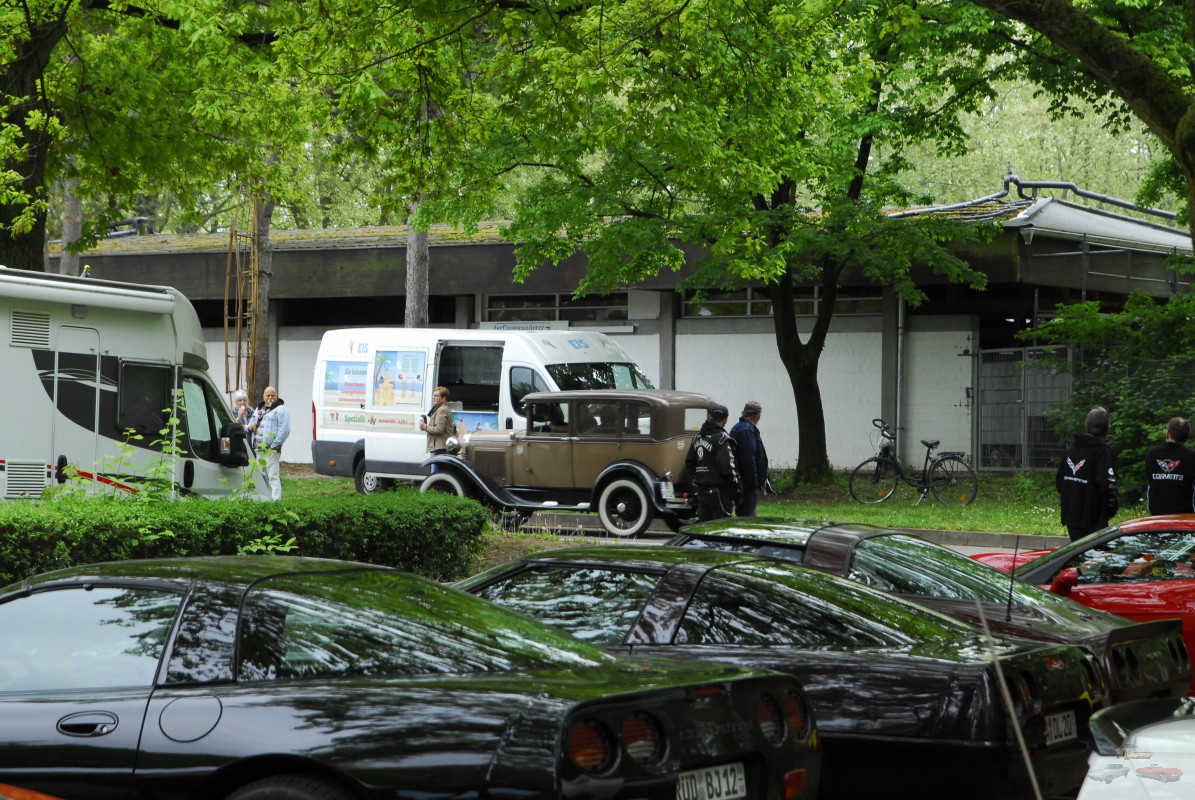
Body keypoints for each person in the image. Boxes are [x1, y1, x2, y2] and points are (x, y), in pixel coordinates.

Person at [1056, 406, 1118, 541]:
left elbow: (1060, 484)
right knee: (1092, 558)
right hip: (1093, 519)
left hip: (1072, 517)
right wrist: (1108, 511)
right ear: (1106, 428)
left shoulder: (1069, 451)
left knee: (1078, 555)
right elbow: (1109, 486)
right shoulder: (1102, 452)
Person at [685, 404, 742, 521]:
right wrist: (737, 490)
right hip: (720, 493)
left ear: (709, 416)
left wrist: (698, 479)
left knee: (705, 529)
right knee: (720, 530)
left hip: (702, 492)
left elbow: (689, 463)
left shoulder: (697, 438)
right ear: (725, 419)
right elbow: (727, 468)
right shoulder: (722, 439)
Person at [248, 386, 291, 501]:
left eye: (273, 395)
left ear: (276, 396)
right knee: (261, 476)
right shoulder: (259, 409)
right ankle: (265, 499)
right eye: (268, 395)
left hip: (271, 449)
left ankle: (276, 501)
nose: (270, 397)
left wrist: (274, 446)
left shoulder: (281, 410)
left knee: (273, 475)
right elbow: (251, 424)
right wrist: (250, 426)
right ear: (264, 396)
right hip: (259, 449)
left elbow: (284, 430)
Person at [1145, 417, 1195, 515]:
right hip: (1184, 517)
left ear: (1167, 434)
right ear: (1188, 436)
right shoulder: (1192, 457)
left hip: (1157, 516)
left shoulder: (1152, 454)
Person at [730, 401, 770, 516]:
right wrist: (754, 483)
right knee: (749, 517)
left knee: (744, 513)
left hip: (740, 479)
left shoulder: (738, 427)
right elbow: (749, 458)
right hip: (746, 483)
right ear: (758, 416)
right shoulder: (747, 430)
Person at [420, 386, 453, 455]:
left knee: (437, 465)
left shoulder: (442, 410)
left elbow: (439, 429)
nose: (433, 398)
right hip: (440, 447)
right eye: (433, 395)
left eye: (436, 396)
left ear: (444, 398)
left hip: (441, 448)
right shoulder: (438, 408)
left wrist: (425, 427)